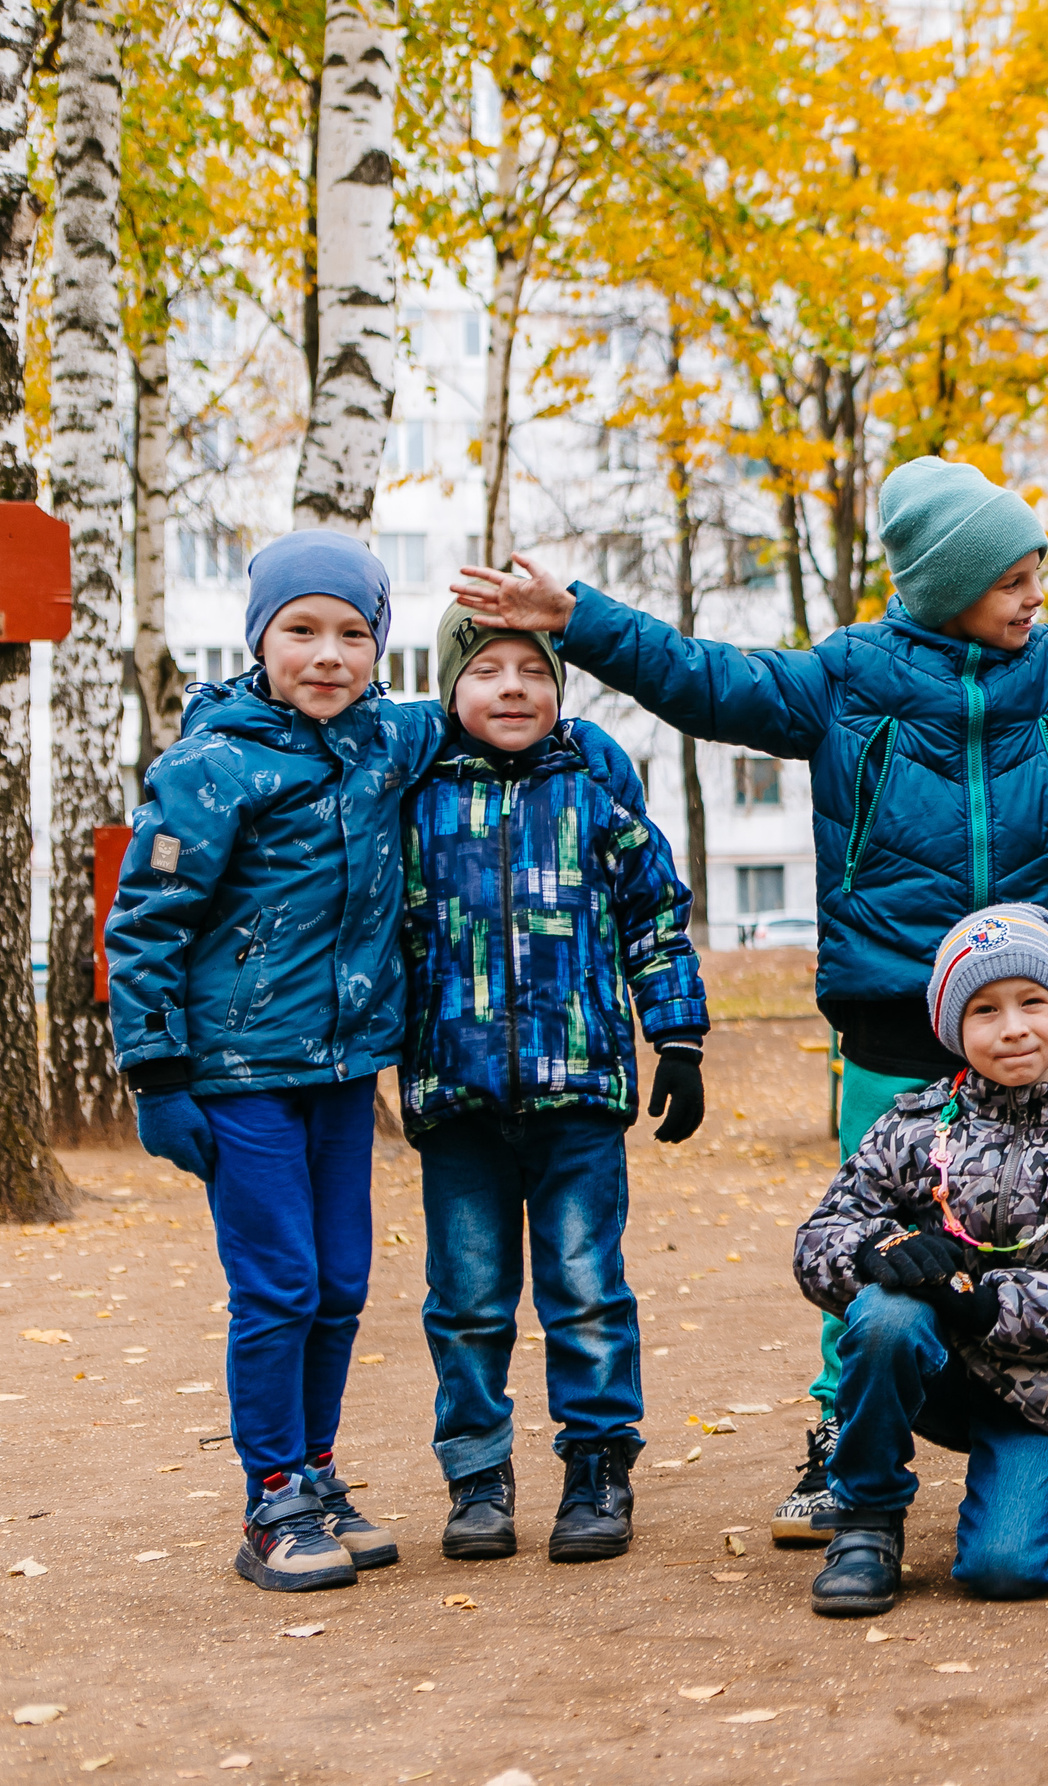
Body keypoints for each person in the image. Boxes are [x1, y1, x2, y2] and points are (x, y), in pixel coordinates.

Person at [452, 435, 1048, 1543]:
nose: (1035, 596)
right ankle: (845, 1436)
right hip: (892, 1008)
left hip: (1031, 1010)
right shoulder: (845, 678)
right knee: (878, 1234)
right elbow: (704, 678)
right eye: (1012, 580)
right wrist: (576, 617)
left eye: (1036, 575)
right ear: (947, 586)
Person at [105, 530, 633, 1594]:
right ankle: (270, 1498)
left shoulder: (388, 742)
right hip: (236, 1073)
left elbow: (496, 698)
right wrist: (154, 1072)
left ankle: (316, 1469)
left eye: (354, 633)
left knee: (342, 1282)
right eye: (301, 630)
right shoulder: (209, 766)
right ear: (259, 638)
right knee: (280, 1285)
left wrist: (559, 659)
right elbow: (145, 921)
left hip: (345, 1074)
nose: (329, 655)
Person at [400, 604, 709, 1566]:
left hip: (576, 1089)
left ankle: (599, 1467)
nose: (513, 690)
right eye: (487, 671)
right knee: (467, 1300)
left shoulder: (590, 786)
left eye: (533, 672)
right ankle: (478, 1477)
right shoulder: (415, 794)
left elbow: (654, 916)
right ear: (450, 689)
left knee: (584, 1288)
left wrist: (681, 1038)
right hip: (454, 1098)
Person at [791, 906, 1048, 1616]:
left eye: (1033, 1002)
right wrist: (881, 1254)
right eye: (985, 1010)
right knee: (884, 1316)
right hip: (937, 1374)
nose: (1014, 1027)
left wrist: (991, 1301)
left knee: (1007, 1571)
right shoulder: (911, 1126)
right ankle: (866, 1520)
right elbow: (819, 1240)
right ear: (953, 1027)